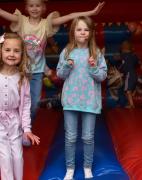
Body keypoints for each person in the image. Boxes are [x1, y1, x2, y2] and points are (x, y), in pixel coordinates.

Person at [0, 0, 105, 123]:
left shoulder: (46, 24)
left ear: (44, 8)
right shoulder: (21, 21)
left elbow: (70, 16)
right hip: (20, 69)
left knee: (33, 105)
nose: (34, 8)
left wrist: (92, 12)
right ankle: (15, 127)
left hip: (37, 72)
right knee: (15, 101)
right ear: (26, 8)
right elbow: (3, 13)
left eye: (38, 5)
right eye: (31, 6)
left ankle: (26, 128)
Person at [57, 16, 107, 180]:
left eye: (86, 29)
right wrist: (66, 65)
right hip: (71, 101)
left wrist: (93, 68)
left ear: (91, 32)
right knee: (70, 137)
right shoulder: (67, 51)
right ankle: (70, 168)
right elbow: (60, 74)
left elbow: (102, 76)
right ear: (73, 32)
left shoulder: (96, 53)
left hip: (89, 102)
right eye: (79, 29)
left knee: (87, 137)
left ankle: (87, 166)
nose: (82, 32)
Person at [0, 32, 40, 180]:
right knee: (5, 158)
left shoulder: (22, 79)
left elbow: (25, 106)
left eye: (16, 51)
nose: (12, 54)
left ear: (22, 54)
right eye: (7, 50)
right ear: (1, 51)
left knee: (17, 157)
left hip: (14, 122)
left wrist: (27, 129)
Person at [119, 40, 139, 108]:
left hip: (129, 74)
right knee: (127, 90)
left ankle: (131, 104)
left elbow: (116, 58)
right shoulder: (134, 56)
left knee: (127, 91)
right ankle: (129, 102)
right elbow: (136, 63)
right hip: (134, 75)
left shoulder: (123, 55)